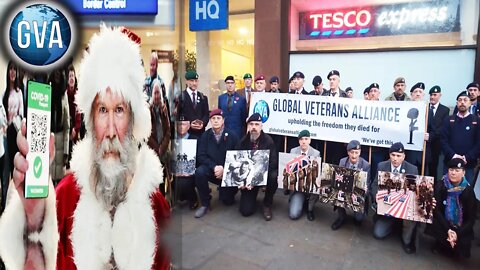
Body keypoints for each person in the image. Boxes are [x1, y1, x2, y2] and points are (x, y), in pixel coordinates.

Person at [0, 25, 170, 269]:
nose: (111, 130)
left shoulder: (157, 208)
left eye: (119, 110)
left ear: (134, 119)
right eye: (102, 110)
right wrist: (31, 222)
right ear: (90, 119)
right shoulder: (65, 197)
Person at [372, 142, 419, 254]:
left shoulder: (412, 169)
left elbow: (415, 192)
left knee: (409, 223)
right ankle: (393, 225)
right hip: (387, 208)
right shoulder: (382, 166)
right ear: (389, 155)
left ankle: (406, 239)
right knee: (378, 234)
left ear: (404, 156)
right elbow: (374, 185)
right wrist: (377, 198)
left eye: (398, 156)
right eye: (393, 155)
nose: (395, 158)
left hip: (404, 209)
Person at [427, 158, 477, 258]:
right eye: (451, 170)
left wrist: (457, 233)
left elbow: (471, 218)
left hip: (460, 225)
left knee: (461, 253)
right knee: (432, 217)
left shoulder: (468, 190)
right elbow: (436, 210)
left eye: (457, 170)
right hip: (444, 222)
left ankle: (453, 240)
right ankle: (439, 242)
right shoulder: (441, 185)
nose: (453, 173)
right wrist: (448, 230)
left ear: (463, 173)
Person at [194, 109, 239, 218]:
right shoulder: (205, 136)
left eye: (218, 118)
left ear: (223, 120)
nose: (216, 121)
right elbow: (201, 156)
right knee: (199, 172)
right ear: (210, 121)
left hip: (227, 172)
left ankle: (226, 193)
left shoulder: (232, 136)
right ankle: (205, 203)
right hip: (211, 170)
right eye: (213, 118)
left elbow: (237, 157)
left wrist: (224, 168)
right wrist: (214, 166)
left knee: (227, 201)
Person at [236, 113, 278, 220]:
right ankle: (249, 197)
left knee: (273, 176)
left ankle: (267, 204)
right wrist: (243, 181)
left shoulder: (269, 141)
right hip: (248, 179)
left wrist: (257, 177)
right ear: (248, 126)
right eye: (251, 124)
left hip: (263, 176)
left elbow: (273, 163)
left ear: (261, 126)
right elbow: (237, 163)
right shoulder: (242, 142)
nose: (254, 127)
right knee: (245, 211)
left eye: (256, 124)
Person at [441, 91, 480, 185]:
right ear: (457, 103)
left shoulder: (476, 121)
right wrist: (454, 156)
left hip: (468, 165)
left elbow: (478, 143)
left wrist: (466, 157)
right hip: (450, 164)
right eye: (460, 100)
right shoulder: (448, 120)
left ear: (470, 103)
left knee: (466, 194)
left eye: (465, 100)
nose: (462, 102)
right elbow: (443, 140)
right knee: (446, 192)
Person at [332, 140, 370, 230]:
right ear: (348, 152)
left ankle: (358, 216)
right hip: (345, 190)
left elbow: (368, 184)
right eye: (351, 152)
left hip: (357, 193)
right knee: (335, 193)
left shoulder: (365, 165)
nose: (354, 155)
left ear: (360, 152)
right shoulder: (342, 162)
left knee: (358, 218)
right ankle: (341, 217)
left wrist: (364, 190)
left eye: (356, 152)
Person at [288, 130, 320, 221]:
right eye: (301, 139)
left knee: (318, 184)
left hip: (310, 187)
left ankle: (310, 208)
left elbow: (317, 170)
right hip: (298, 187)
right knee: (293, 215)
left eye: (306, 139)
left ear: (310, 140)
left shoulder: (316, 153)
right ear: (299, 141)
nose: (304, 141)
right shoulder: (293, 151)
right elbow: (289, 169)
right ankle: (297, 200)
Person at [2, 61, 23, 194]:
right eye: (10, 69)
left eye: (15, 69)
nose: (12, 72)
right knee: (7, 169)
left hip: (16, 133)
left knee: (16, 168)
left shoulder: (19, 92)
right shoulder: (4, 93)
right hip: (6, 135)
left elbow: (22, 114)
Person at [172, 115, 198, 209]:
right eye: (179, 124)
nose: (181, 127)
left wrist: (192, 169)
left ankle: (193, 199)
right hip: (175, 172)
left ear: (188, 126)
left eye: (183, 124)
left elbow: (199, 157)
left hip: (190, 172)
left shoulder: (195, 139)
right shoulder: (171, 140)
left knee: (185, 183)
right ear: (175, 126)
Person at [148, 78, 172, 180]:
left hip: (163, 149)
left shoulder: (164, 109)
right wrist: (157, 148)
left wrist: (163, 146)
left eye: (158, 93)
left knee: (163, 176)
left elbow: (168, 131)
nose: (157, 96)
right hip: (152, 150)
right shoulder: (148, 110)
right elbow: (146, 133)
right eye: (155, 93)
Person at [175, 70, 210, 137]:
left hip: (201, 134)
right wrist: (189, 124)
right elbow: (178, 116)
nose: (194, 83)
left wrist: (202, 123)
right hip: (187, 134)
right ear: (186, 82)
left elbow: (206, 114)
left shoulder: (203, 97)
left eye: (196, 81)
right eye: (191, 81)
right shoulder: (180, 97)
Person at [427, 85, 450, 179]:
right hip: (424, 144)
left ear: (440, 95)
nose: (432, 97)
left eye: (435, 95)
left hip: (435, 145)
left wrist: (430, 136)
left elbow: (442, 128)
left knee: (433, 169)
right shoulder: (425, 107)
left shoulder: (445, 110)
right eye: (431, 95)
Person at [65, 64, 83, 169]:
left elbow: (78, 115)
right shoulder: (65, 94)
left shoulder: (77, 94)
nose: (71, 78)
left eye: (72, 76)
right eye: (69, 76)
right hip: (66, 131)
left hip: (75, 132)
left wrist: (75, 129)